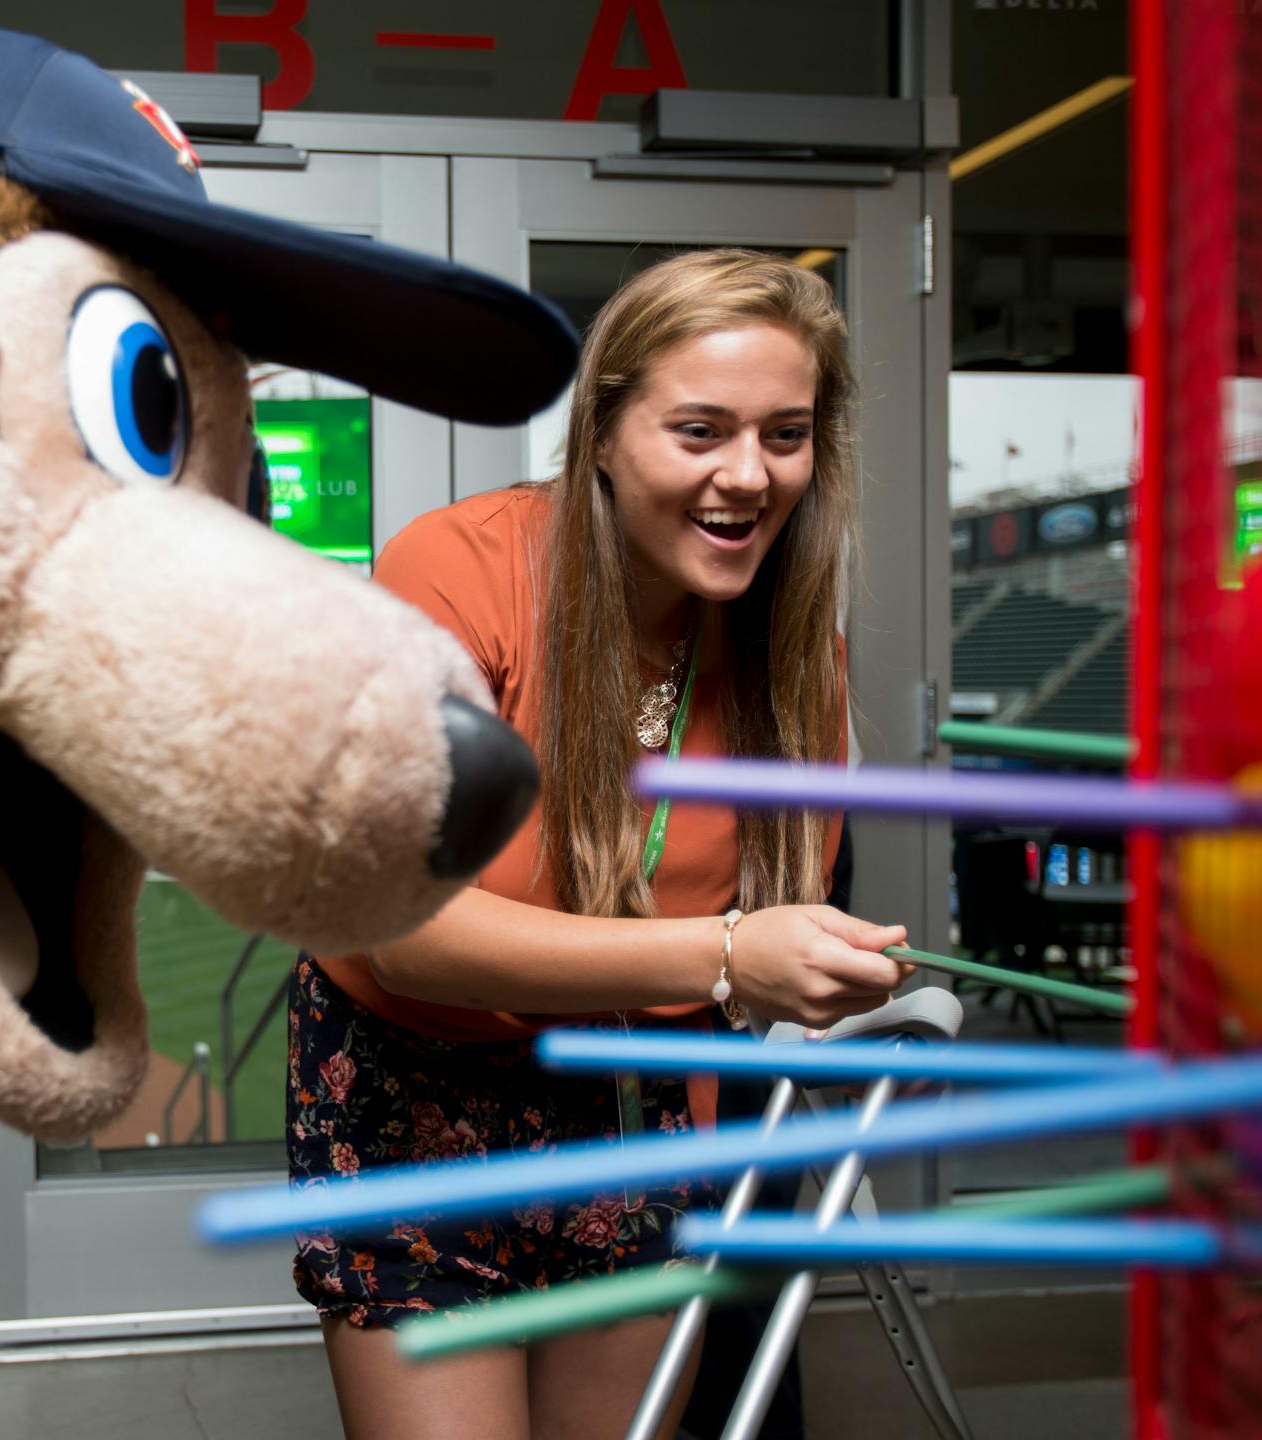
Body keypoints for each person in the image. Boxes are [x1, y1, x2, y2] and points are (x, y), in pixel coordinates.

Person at [286, 248, 913, 1439]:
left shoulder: (793, 659)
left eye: (787, 435)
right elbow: (409, 928)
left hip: (633, 1104)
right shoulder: (461, 569)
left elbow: (763, 964)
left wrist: (824, 985)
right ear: (607, 431)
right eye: (699, 430)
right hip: (414, 1091)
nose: (749, 474)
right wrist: (730, 954)